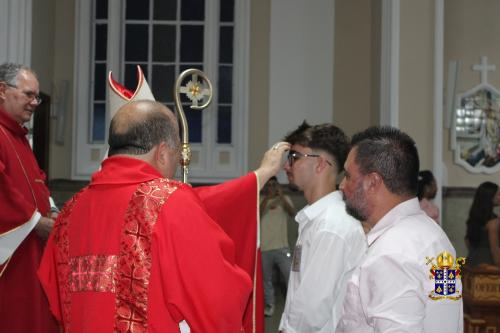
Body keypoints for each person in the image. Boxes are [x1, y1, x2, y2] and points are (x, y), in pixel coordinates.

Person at [38, 100, 289, 332]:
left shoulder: (70, 210)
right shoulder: (169, 201)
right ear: (162, 152)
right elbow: (217, 297)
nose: (177, 164)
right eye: (177, 154)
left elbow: (53, 293)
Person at [337, 126, 463, 332]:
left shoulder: (393, 252)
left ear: (372, 182)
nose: (342, 185)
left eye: (348, 176)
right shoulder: (433, 235)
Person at [278, 122, 367, 333]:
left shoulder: (331, 225)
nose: (286, 166)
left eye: (294, 157)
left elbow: (311, 309)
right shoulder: (318, 220)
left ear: (319, 164)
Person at [0, 63, 59, 332]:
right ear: (2, 90)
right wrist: (35, 222)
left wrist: (53, 210)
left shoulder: (18, 135)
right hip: (13, 255)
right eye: (28, 95)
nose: (35, 102)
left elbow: (36, 182)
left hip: (32, 247)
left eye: (37, 97)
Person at [260, 176, 295, 317]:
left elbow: (293, 214)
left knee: (290, 277)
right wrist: (267, 199)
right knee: (266, 279)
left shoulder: (284, 199)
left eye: (274, 184)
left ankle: (293, 307)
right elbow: (257, 214)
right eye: (269, 185)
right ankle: (270, 304)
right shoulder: (260, 200)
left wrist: (281, 198)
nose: (271, 187)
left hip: (282, 247)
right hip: (265, 248)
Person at [465, 181, 500, 267]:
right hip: (487, 266)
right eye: (498, 195)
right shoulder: (493, 221)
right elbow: (494, 250)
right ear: (490, 197)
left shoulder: (474, 217)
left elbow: (467, 241)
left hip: (471, 262)